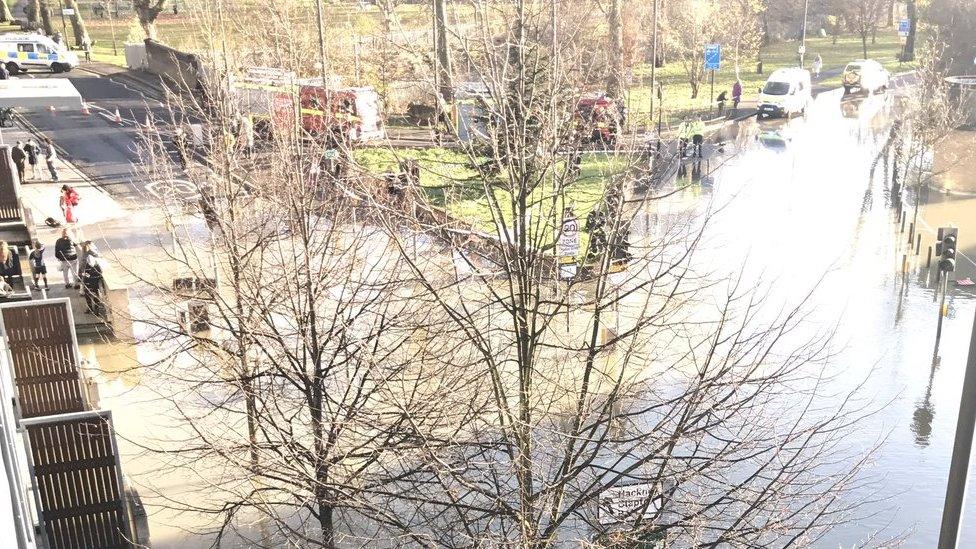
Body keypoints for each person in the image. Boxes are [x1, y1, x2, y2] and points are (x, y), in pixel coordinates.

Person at [80, 245, 103, 315]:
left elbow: (82, 271)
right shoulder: (96, 263)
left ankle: (90, 308)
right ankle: (96, 309)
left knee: (88, 295)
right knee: (95, 294)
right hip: (94, 281)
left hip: (87, 281)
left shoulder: (85, 258)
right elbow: (100, 273)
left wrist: (84, 275)